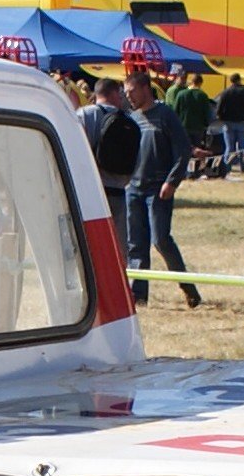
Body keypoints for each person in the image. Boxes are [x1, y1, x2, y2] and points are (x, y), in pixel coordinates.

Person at [122, 70, 202, 307]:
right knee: (135, 244)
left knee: (161, 240)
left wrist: (172, 181)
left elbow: (183, 150)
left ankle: (189, 289)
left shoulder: (165, 115)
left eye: (132, 92)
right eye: (126, 93)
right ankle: (138, 295)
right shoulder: (132, 118)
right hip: (134, 188)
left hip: (158, 189)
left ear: (145, 88)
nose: (129, 97)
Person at [78, 75, 139, 229]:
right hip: (118, 190)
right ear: (113, 93)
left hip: (91, 191)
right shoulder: (129, 120)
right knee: (118, 243)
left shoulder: (84, 115)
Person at [169, 68, 217, 168]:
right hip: (198, 128)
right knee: (197, 151)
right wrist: (206, 125)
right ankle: (194, 171)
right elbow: (206, 113)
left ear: (191, 81)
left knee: (184, 150)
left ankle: (184, 170)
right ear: (200, 83)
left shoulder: (181, 94)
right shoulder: (203, 95)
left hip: (183, 127)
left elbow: (175, 111)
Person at [214, 73, 244, 174]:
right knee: (242, 146)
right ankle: (243, 167)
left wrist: (221, 118)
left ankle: (227, 168)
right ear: (239, 80)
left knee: (229, 147)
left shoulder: (225, 92)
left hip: (228, 123)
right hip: (242, 122)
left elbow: (219, 107)